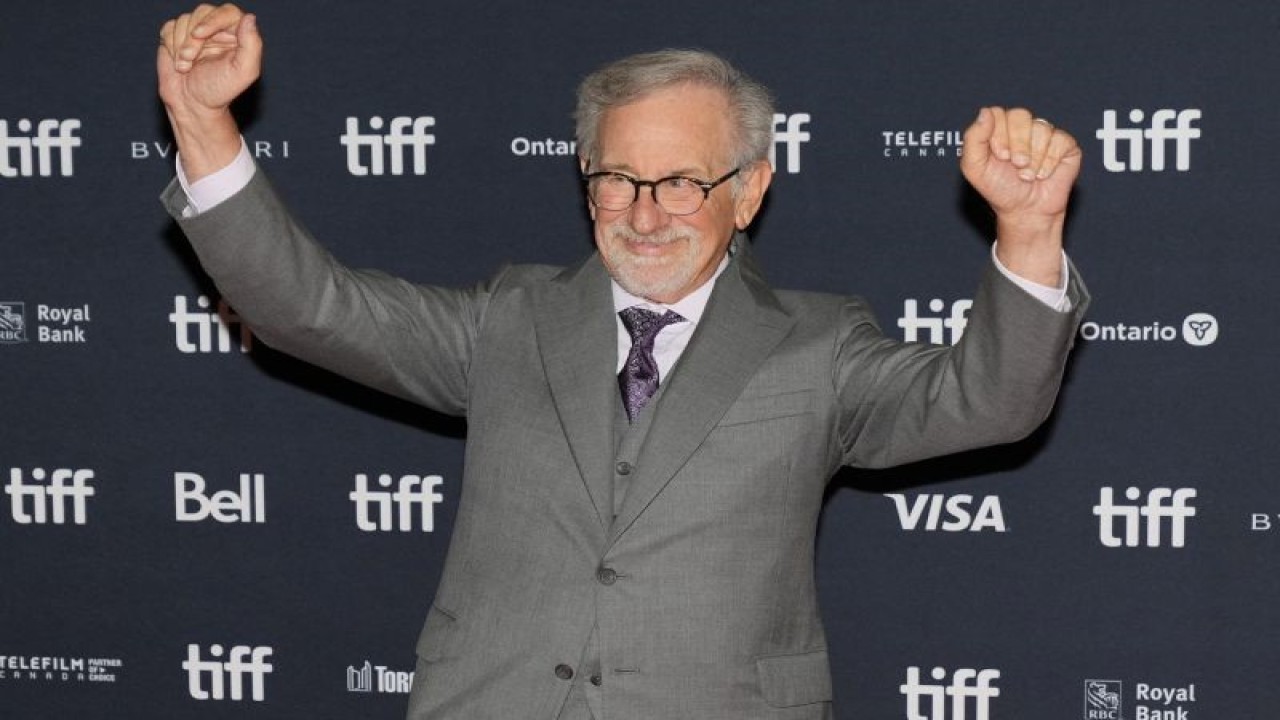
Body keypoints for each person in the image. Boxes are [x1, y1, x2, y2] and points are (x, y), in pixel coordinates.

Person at [157, 5, 1088, 719]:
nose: (645, 214)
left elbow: (991, 402)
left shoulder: (819, 344)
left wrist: (1030, 230)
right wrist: (202, 124)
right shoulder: (509, 318)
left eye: (682, 182)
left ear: (749, 191)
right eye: (617, 178)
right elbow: (308, 309)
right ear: (586, 179)